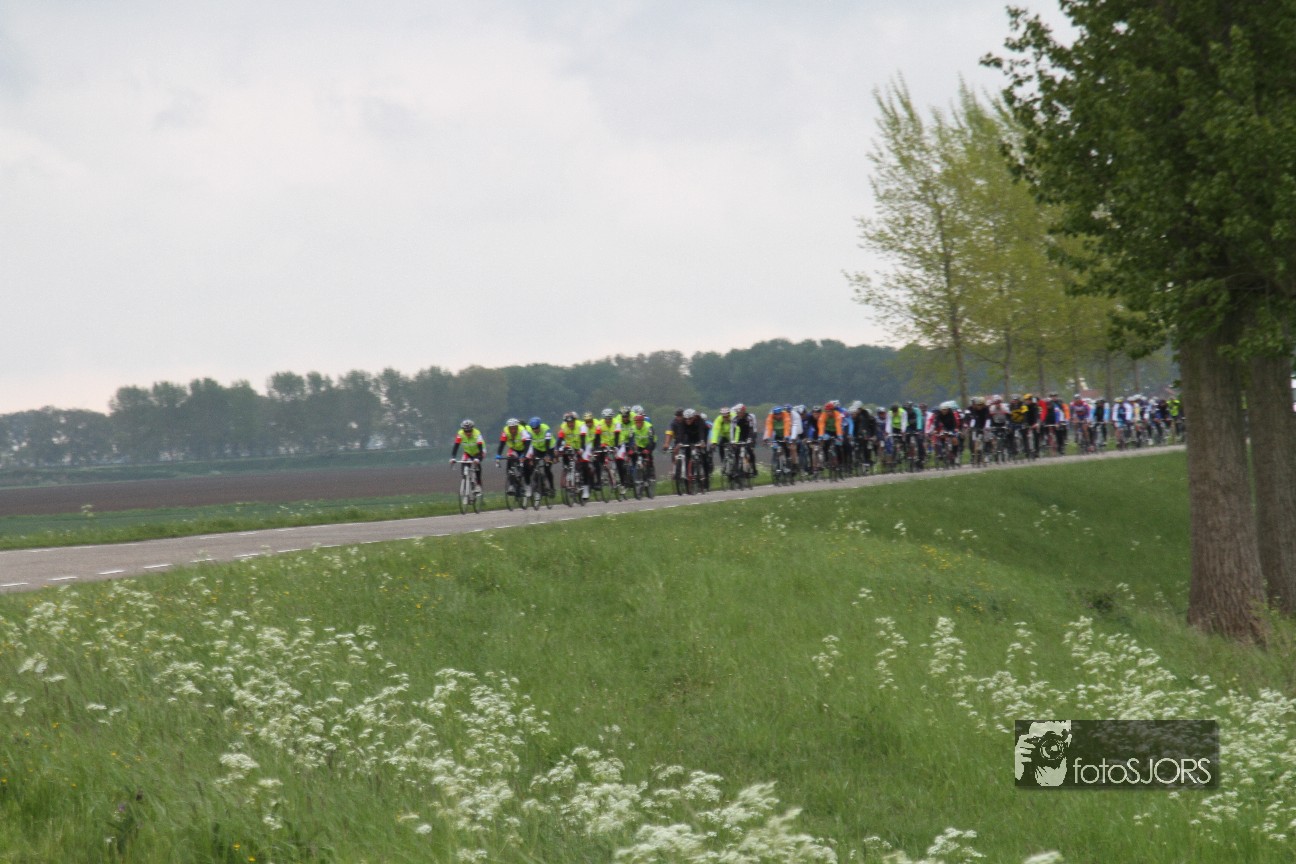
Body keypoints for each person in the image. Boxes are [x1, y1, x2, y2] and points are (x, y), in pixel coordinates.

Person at [556, 411, 593, 500]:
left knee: (584, 465)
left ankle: (586, 490)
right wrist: (556, 449)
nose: (570, 424)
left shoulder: (582, 426)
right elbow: (559, 440)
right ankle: (567, 469)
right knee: (564, 453)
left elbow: (583, 441)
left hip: (584, 445)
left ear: (575, 421)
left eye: (572, 422)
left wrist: (581, 450)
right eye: (568, 423)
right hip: (571, 446)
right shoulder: (563, 427)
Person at [495, 417, 534, 492]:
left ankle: (528, 485)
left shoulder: (522, 430)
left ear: (517, 427)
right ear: (508, 428)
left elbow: (527, 443)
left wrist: (524, 455)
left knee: (525, 464)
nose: (513, 430)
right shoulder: (505, 431)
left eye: (515, 428)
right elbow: (502, 444)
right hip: (514, 449)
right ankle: (511, 485)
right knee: (509, 461)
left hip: (525, 448)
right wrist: (498, 455)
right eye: (511, 428)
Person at [450, 419, 486, 487]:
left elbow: (480, 448)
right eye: (466, 431)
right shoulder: (460, 434)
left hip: (479, 451)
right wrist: (453, 457)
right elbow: (456, 446)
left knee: (476, 464)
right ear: (463, 430)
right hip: (468, 452)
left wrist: (478, 458)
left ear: (472, 429)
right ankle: (466, 480)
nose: (468, 433)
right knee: (464, 463)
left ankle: (478, 483)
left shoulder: (477, 434)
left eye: (470, 431)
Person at [527, 416, 557, 493]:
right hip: (538, 449)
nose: (535, 430)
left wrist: (547, 455)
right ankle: (539, 484)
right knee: (532, 466)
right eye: (533, 429)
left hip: (549, 448)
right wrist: (528, 456)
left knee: (547, 469)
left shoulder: (546, 429)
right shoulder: (529, 431)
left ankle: (552, 487)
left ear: (539, 426)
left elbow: (547, 443)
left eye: (537, 428)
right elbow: (527, 444)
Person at [730, 403, 759, 476]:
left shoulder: (749, 417)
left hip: (750, 434)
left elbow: (752, 429)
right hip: (742, 434)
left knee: (750, 451)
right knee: (737, 451)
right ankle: (736, 470)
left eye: (738, 412)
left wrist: (750, 439)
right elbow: (732, 430)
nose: (737, 414)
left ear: (743, 411)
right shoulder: (735, 419)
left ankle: (754, 469)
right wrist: (733, 440)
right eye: (736, 412)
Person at [710, 407, 734, 476]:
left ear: (729, 415)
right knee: (720, 446)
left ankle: (736, 464)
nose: (725, 418)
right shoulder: (719, 419)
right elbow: (715, 430)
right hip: (724, 436)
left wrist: (735, 441)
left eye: (727, 417)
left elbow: (737, 429)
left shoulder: (733, 418)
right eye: (724, 417)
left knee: (735, 449)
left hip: (733, 435)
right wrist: (714, 442)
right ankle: (723, 462)